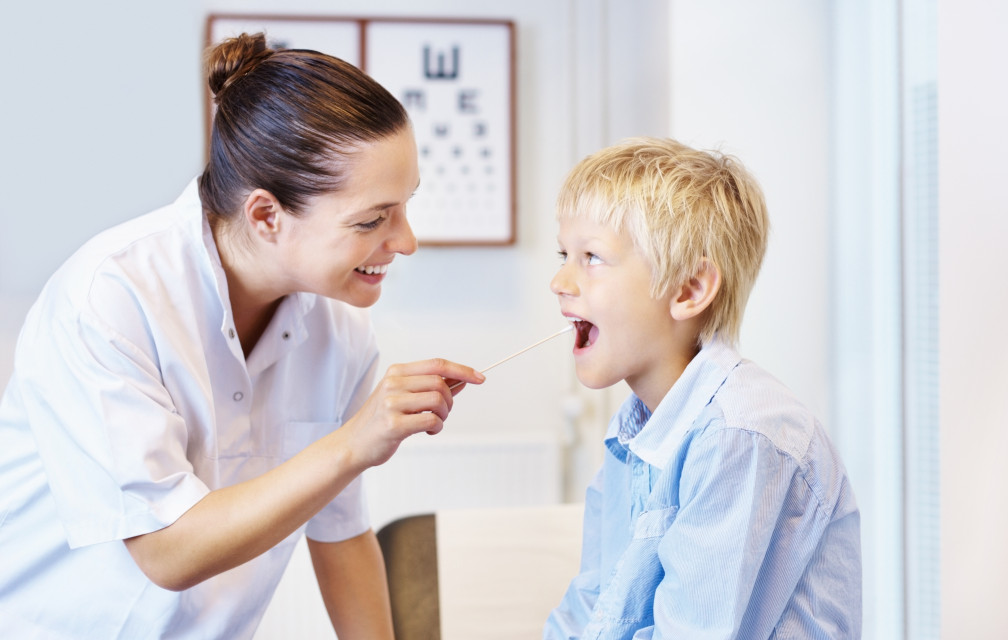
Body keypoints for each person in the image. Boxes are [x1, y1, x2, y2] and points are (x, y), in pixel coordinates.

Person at [0, 33, 484, 639]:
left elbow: (340, 535)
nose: (406, 241)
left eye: (406, 207)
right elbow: (166, 552)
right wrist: (356, 440)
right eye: (371, 220)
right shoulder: (110, 297)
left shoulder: (342, 329)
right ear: (265, 215)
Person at [543, 138, 861, 639]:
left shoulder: (740, 436)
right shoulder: (633, 434)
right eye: (565, 253)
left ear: (690, 290)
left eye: (592, 258)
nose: (560, 280)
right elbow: (592, 604)